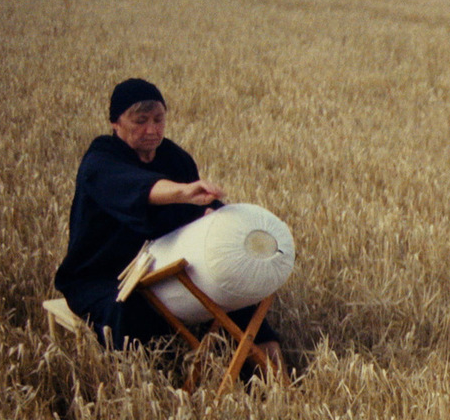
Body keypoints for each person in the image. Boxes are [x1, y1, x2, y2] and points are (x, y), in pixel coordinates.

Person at [55, 78, 283, 369]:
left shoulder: (174, 157)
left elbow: (200, 213)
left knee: (237, 296)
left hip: (163, 267)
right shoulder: (101, 160)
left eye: (158, 119)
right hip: (100, 276)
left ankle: (273, 381)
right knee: (128, 311)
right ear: (115, 123)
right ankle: (150, 388)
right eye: (140, 121)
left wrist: (213, 218)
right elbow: (140, 188)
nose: (152, 130)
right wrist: (183, 192)